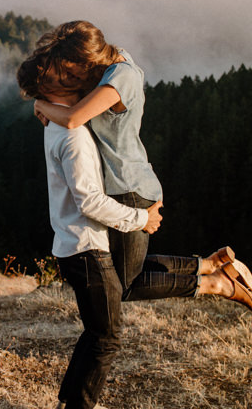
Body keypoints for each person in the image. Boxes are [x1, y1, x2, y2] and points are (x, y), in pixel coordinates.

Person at [17, 53, 252, 409]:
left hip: (76, 244)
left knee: (100, 325)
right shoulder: (70, 134)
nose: (74, 77)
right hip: (86, 246)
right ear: (49, 89)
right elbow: (91, 201)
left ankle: (70, 403)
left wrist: (43, 105)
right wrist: (139, 218)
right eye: (63, 76)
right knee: (104, 335)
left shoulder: (58, 121)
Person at [29, 20, 162, 291]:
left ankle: (216, 282)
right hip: (123, 180)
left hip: (127, 186)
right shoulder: (113, 57)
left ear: (87, 60)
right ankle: (210, 268)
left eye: (71, 70)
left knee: (122, 286)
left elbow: (72, 119)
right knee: (123, 278)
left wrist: (41, 103)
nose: (68, 77)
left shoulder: (120, 76)